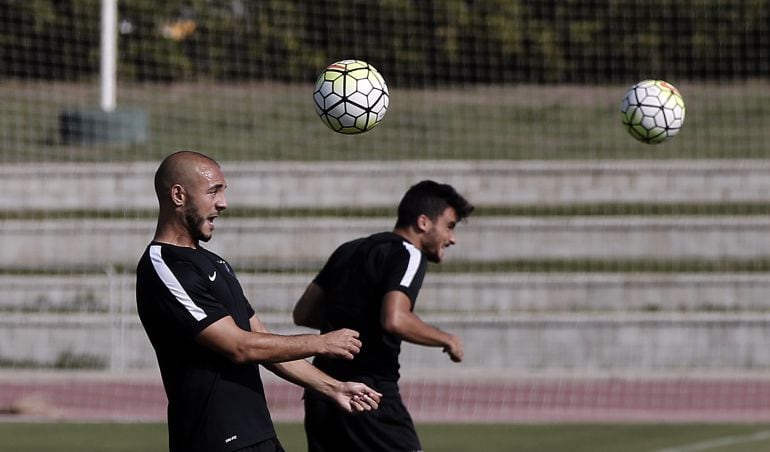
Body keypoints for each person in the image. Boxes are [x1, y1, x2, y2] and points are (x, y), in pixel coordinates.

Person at [136, 150, 382, 452]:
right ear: (178, 195)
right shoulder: (163, 266)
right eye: (214, 191)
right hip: (214, 440)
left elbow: (262, 339)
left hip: (257, 435)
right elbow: (240, 347)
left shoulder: (216, 263)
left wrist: (334, 388)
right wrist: (321, 343)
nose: (223, 203)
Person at [293, 180, 475, 452]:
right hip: (369, 394)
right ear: (423, 222)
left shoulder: (349, 249)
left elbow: (304, 313)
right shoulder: (408, 254)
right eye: (449, 226)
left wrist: (358, 323)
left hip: (323, 392)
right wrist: (447, 339)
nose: (452, 238)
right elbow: (395, 319)